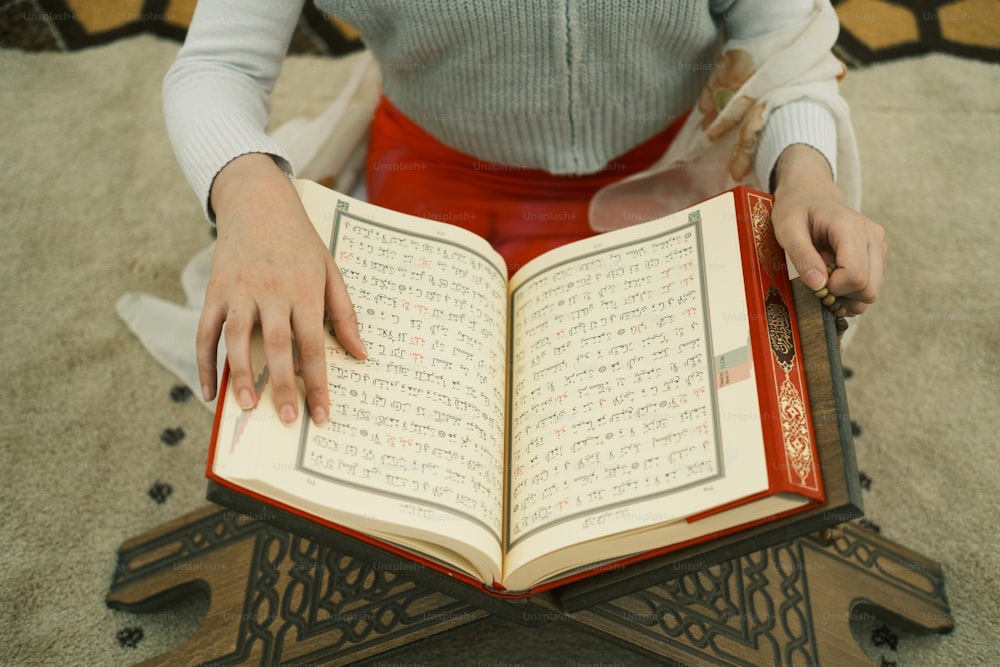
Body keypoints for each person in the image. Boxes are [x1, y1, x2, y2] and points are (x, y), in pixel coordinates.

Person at [163, 0, 885, 428]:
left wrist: (807, 178)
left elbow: (782, 36)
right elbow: (218, 65)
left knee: (696, 432)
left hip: (668, 171)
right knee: (404, 433)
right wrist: (250, 193)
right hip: (438, 181)